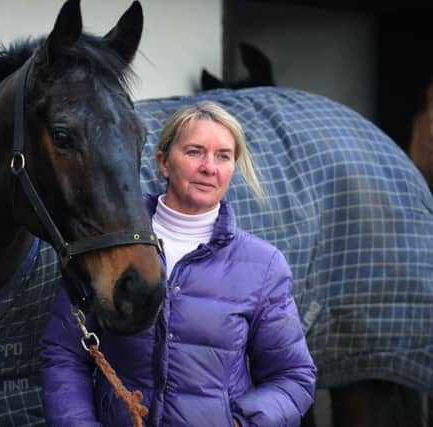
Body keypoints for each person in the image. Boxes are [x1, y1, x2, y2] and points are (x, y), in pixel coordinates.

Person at [40, 101, 316, 427]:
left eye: (223, 156)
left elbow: (293, 377)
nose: (209, 167)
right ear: (163, 163)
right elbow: (63, 354)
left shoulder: (263, 266)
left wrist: (243, 423)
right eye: (195, 152)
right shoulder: (108, 249)